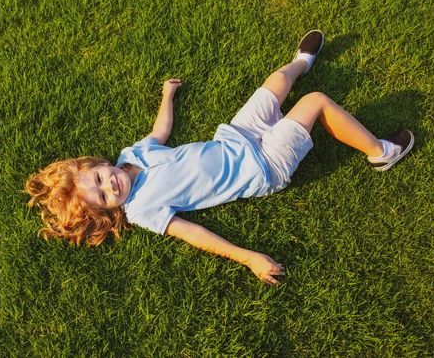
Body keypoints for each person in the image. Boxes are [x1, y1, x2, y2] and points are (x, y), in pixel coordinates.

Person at [25, 30, 414, 285]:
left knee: (277, 82)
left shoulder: (130, 155)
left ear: (95, 164)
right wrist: (248, 259)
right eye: (106, 197)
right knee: (314, 103)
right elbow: (195, 235)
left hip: (235, 138)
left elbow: (160, 133)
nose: (110, 185)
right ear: (109, 213)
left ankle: (303, 61)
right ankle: (382, 152)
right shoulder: (143, 209)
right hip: (262, 166)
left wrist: (167, 97)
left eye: (99, 178)